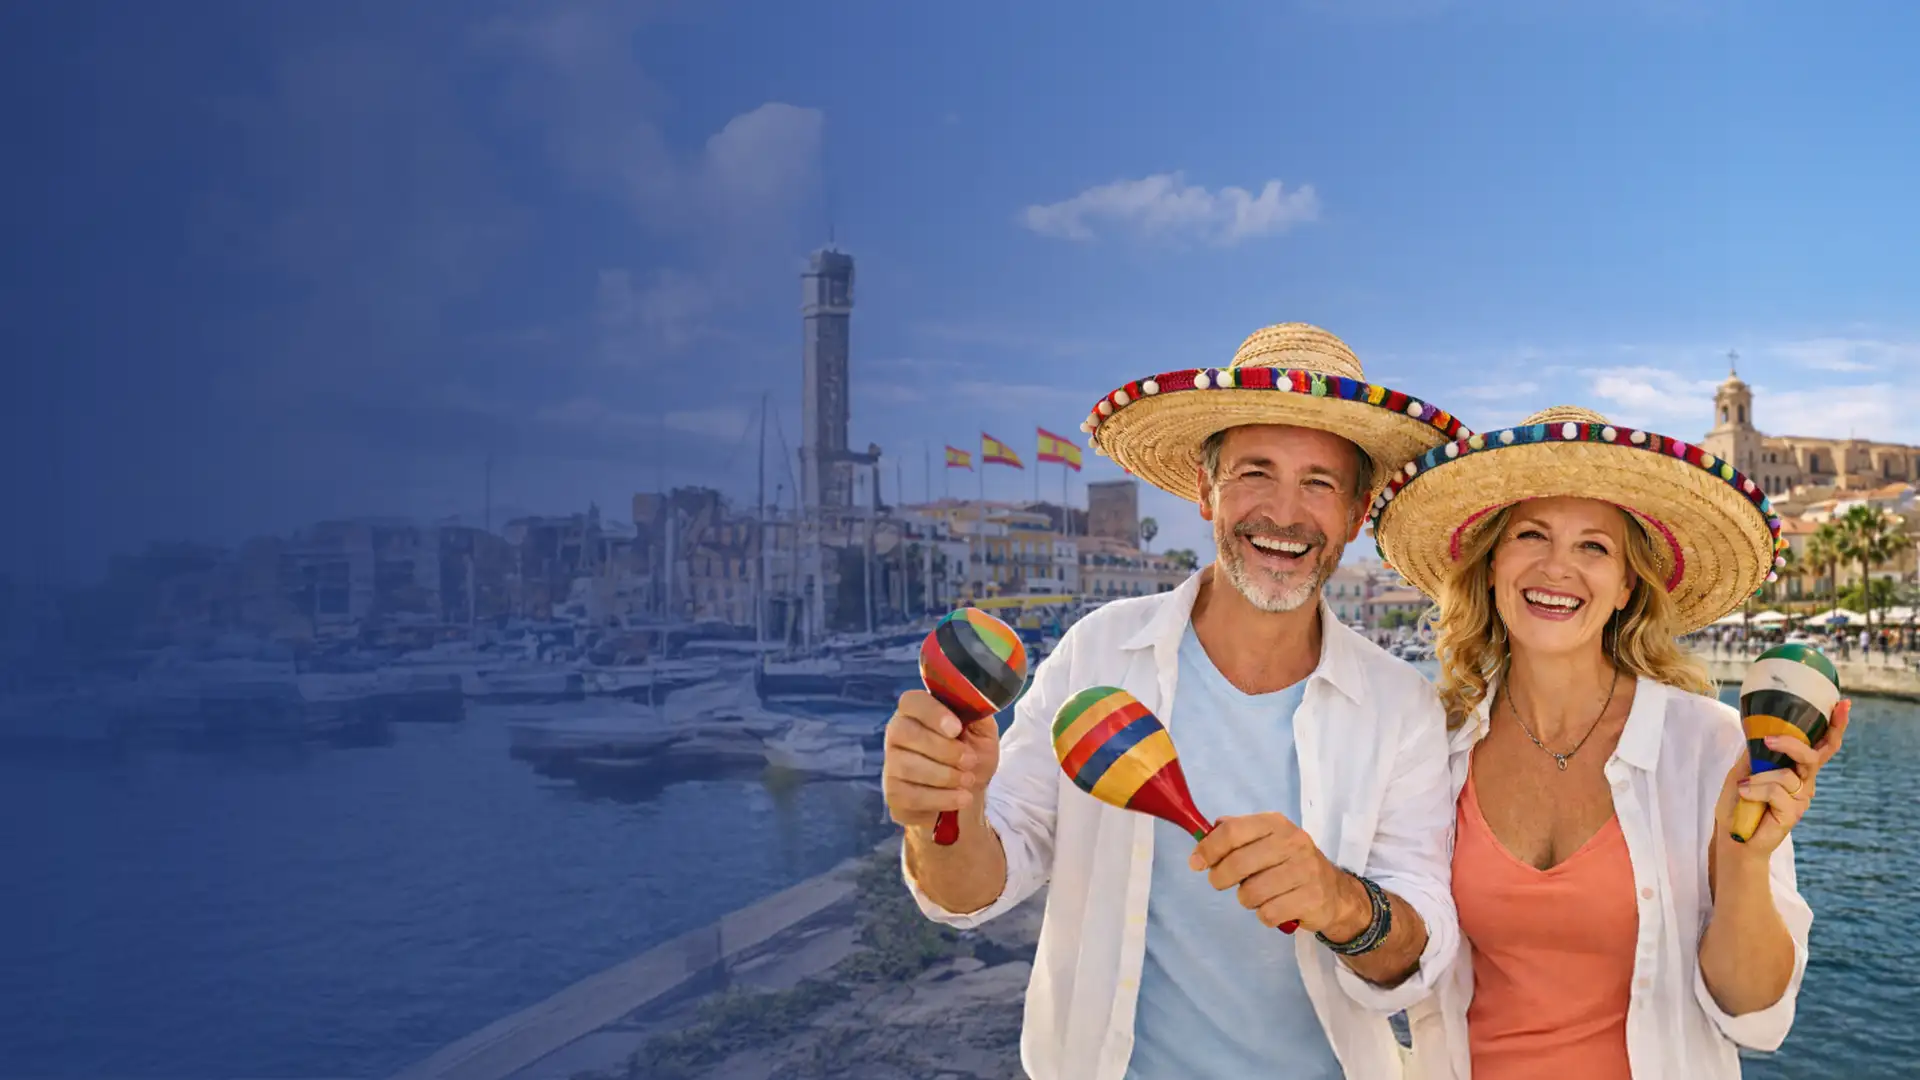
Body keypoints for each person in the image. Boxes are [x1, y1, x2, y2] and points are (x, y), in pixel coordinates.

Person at [881, 322, 1472, 1079]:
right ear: (1205, 489)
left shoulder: (1402, 706)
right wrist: (941, 813)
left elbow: (1417, 953)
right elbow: (973, 892)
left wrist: (1343, 903)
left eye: (1319, 483)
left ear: (1357, 516)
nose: (1285, 514)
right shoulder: (1098, 652)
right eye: (1255, 472)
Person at [1371, 405, 1850, 1079]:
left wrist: (1744, 857)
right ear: (1491, 565)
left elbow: (1756, 1016)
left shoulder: (1709, 744)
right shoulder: (1435, 746)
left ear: (1628, 585)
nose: (1556, 567)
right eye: (1531, 535)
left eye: (1594, 546)